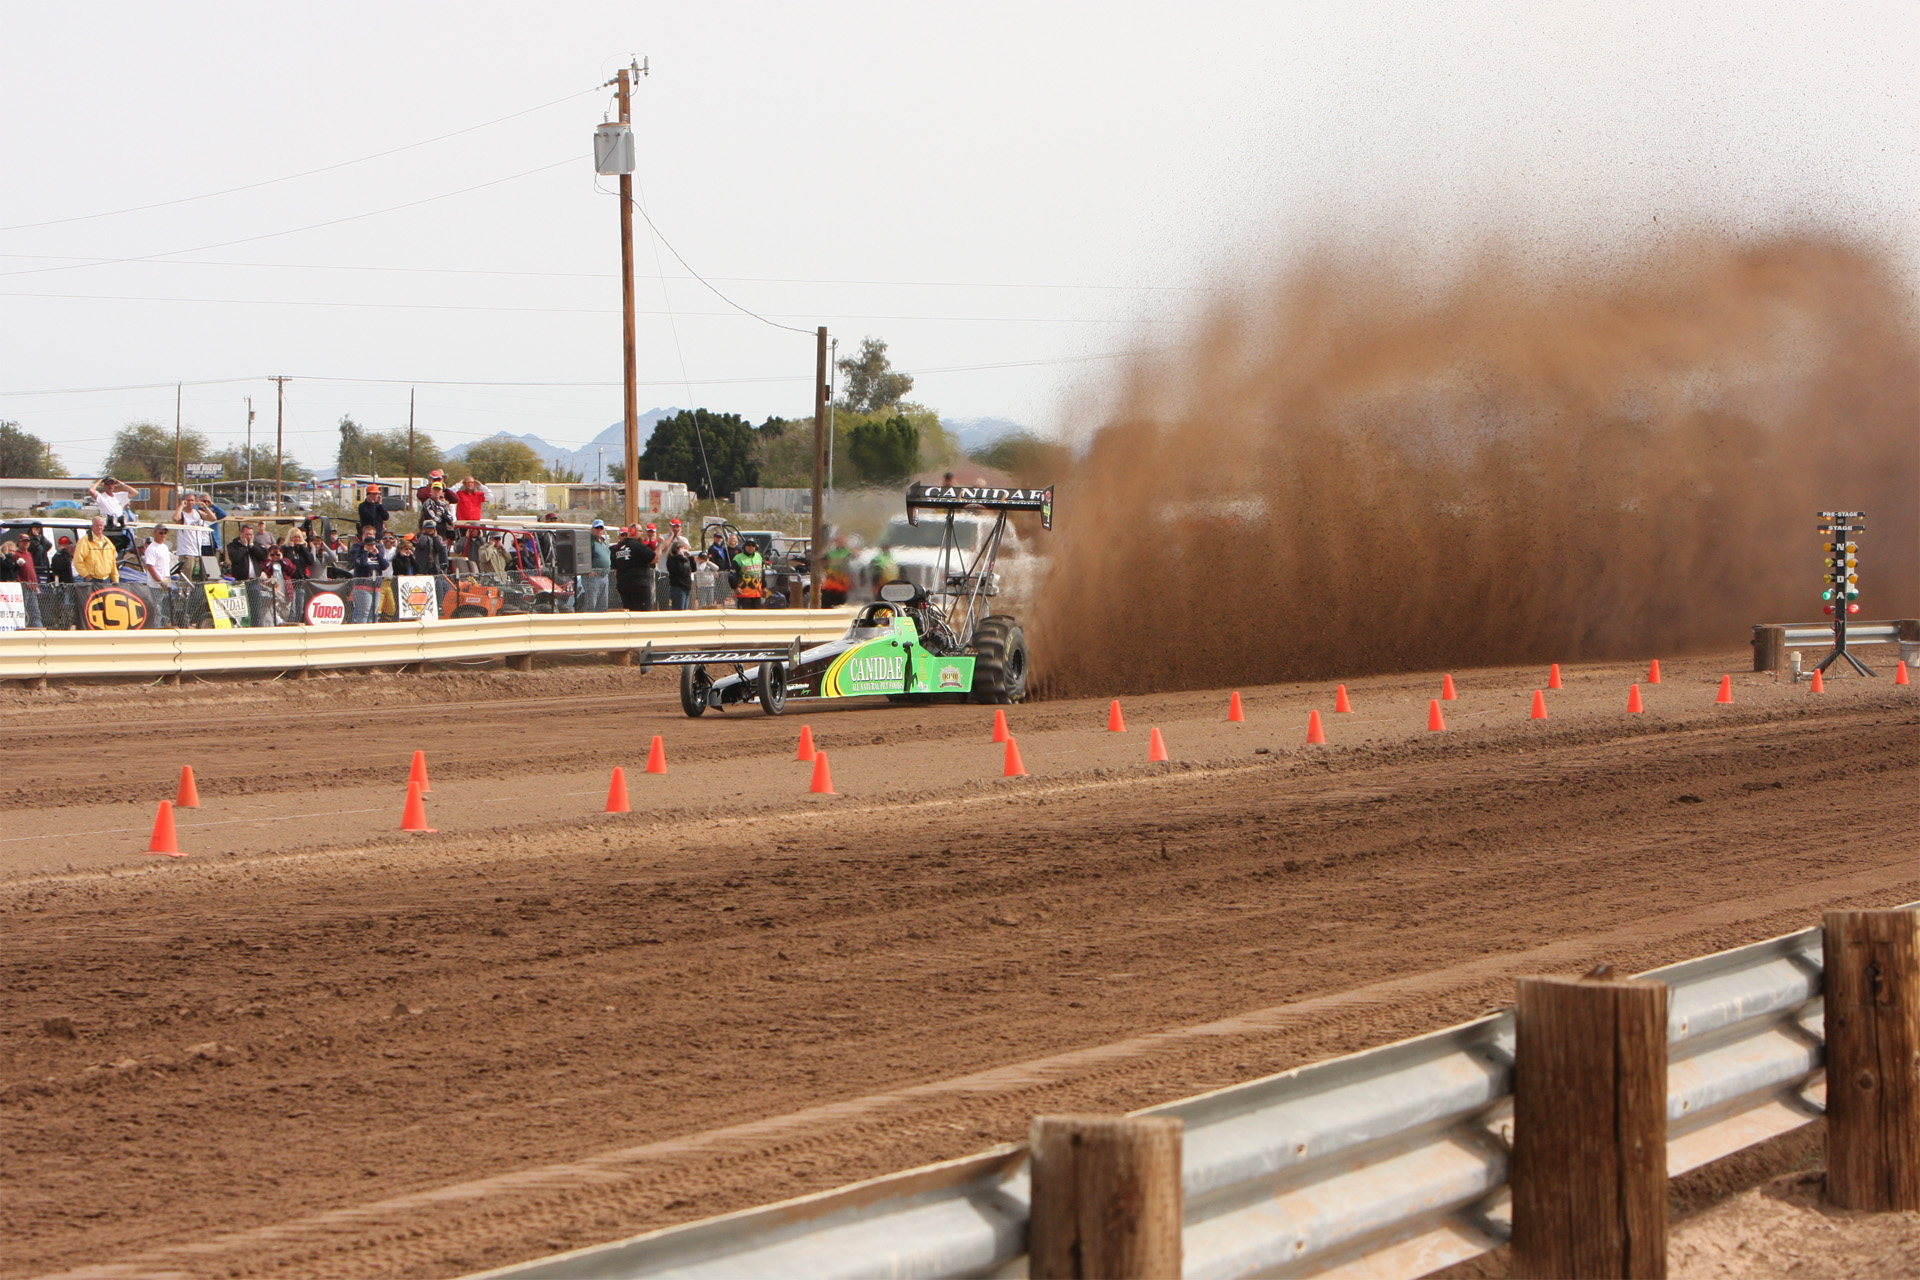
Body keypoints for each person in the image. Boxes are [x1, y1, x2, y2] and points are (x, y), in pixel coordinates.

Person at [611, 525, 655, 611]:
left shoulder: (618, 547)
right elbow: (654, 558)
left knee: (629, 609)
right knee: (642, 611)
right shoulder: (638, 546)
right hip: (639, 586)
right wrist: (661, 545)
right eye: (640, 531)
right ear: (633, 531)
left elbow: (615, 569)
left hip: (623, 585)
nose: (642, 533)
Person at [88, 476, 137, 552]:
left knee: (123, 544)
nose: (110, 486)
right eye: (108, 484)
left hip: (119, 529)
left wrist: (120, 484)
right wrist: (99, 482)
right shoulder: (101, 497)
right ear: (104, 485)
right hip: (107, 529)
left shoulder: (119, 496)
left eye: (112, 484)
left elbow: (135, 492)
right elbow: (91, 490)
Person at [174, 493, 214, 569]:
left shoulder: (198, 513)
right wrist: (181, 506)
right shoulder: (182, 515)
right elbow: (176, 518)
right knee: (186, 576)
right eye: (188, 500)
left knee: (196, 575)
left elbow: (213, 518)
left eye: (192, 500)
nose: (190, 502)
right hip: (186, 551)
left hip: (197, 550)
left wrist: (205, 507)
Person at [73, 518, 119, 584]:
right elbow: (77, 561)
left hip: (106, 580)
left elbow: (113, 562)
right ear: (92, 527)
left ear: (103, 527)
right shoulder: (84, 541)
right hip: (92, 580)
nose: (99, 527)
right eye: (96, 525)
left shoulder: (108, 542)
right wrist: (87, 576)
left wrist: (115, 579)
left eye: (101, 525)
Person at [582, 519, 612, 612]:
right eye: (597, 528)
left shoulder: (603, 542)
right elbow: (582, 556)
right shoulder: (589, 541)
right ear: (592, 529)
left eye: (601, 528)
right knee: (591, 603)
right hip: (593, 576)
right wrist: (588, 570)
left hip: (604, 576)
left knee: (603, 604)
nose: (599, 530)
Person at [731, 537, 767, 610]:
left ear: (755, 547)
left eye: (752, 546)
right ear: (745, 547)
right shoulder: (738, 558)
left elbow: (762, 573)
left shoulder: (759, 556)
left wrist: (764, 587)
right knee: (744, 618)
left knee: (757, 617)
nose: (750, 548)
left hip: (757, 593)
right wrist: (735, 587)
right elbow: (732, 575)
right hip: (743, 594)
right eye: (748, 545)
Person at [665, 535, 697, 611]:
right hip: (678, 588)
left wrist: (690, 558)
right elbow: (679, 570)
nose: (683, 551)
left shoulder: (684, 559)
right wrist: (680, 557)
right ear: (676, 549)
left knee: (685, 610)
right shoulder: (672, 560)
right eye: (681, 549)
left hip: (686, 587)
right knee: (679, 610)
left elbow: (693, 569)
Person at [822, 534, 854, 607]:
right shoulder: (830, 552)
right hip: (831, 584)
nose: (840, 541)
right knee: (826, 605)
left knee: (841, 605)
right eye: (838, 540)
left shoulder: (848, 552)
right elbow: (822, 562)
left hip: (843, 584)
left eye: (842, 540)